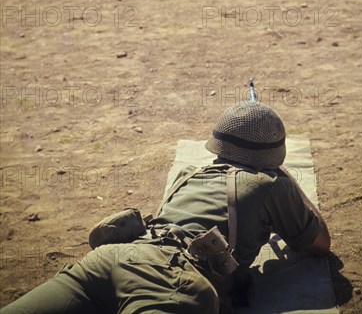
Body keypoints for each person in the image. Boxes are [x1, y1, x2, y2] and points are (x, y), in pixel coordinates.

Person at [1, 100, 330, 313]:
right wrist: (285, 177)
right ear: (273, 156)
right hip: (174, 282)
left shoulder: (190, 175)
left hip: (112, 258)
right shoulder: (272, 184)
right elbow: (319, 243)